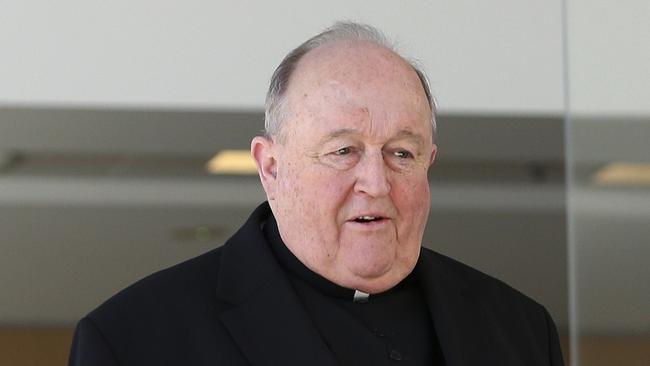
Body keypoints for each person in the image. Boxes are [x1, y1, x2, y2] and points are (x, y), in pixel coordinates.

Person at [68, 22, 564, 366]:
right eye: (343, 150)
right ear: (271, 167)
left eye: (402, 154)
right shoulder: (134, 341)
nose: (376, 182)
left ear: (429, 164)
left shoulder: (519, 331)